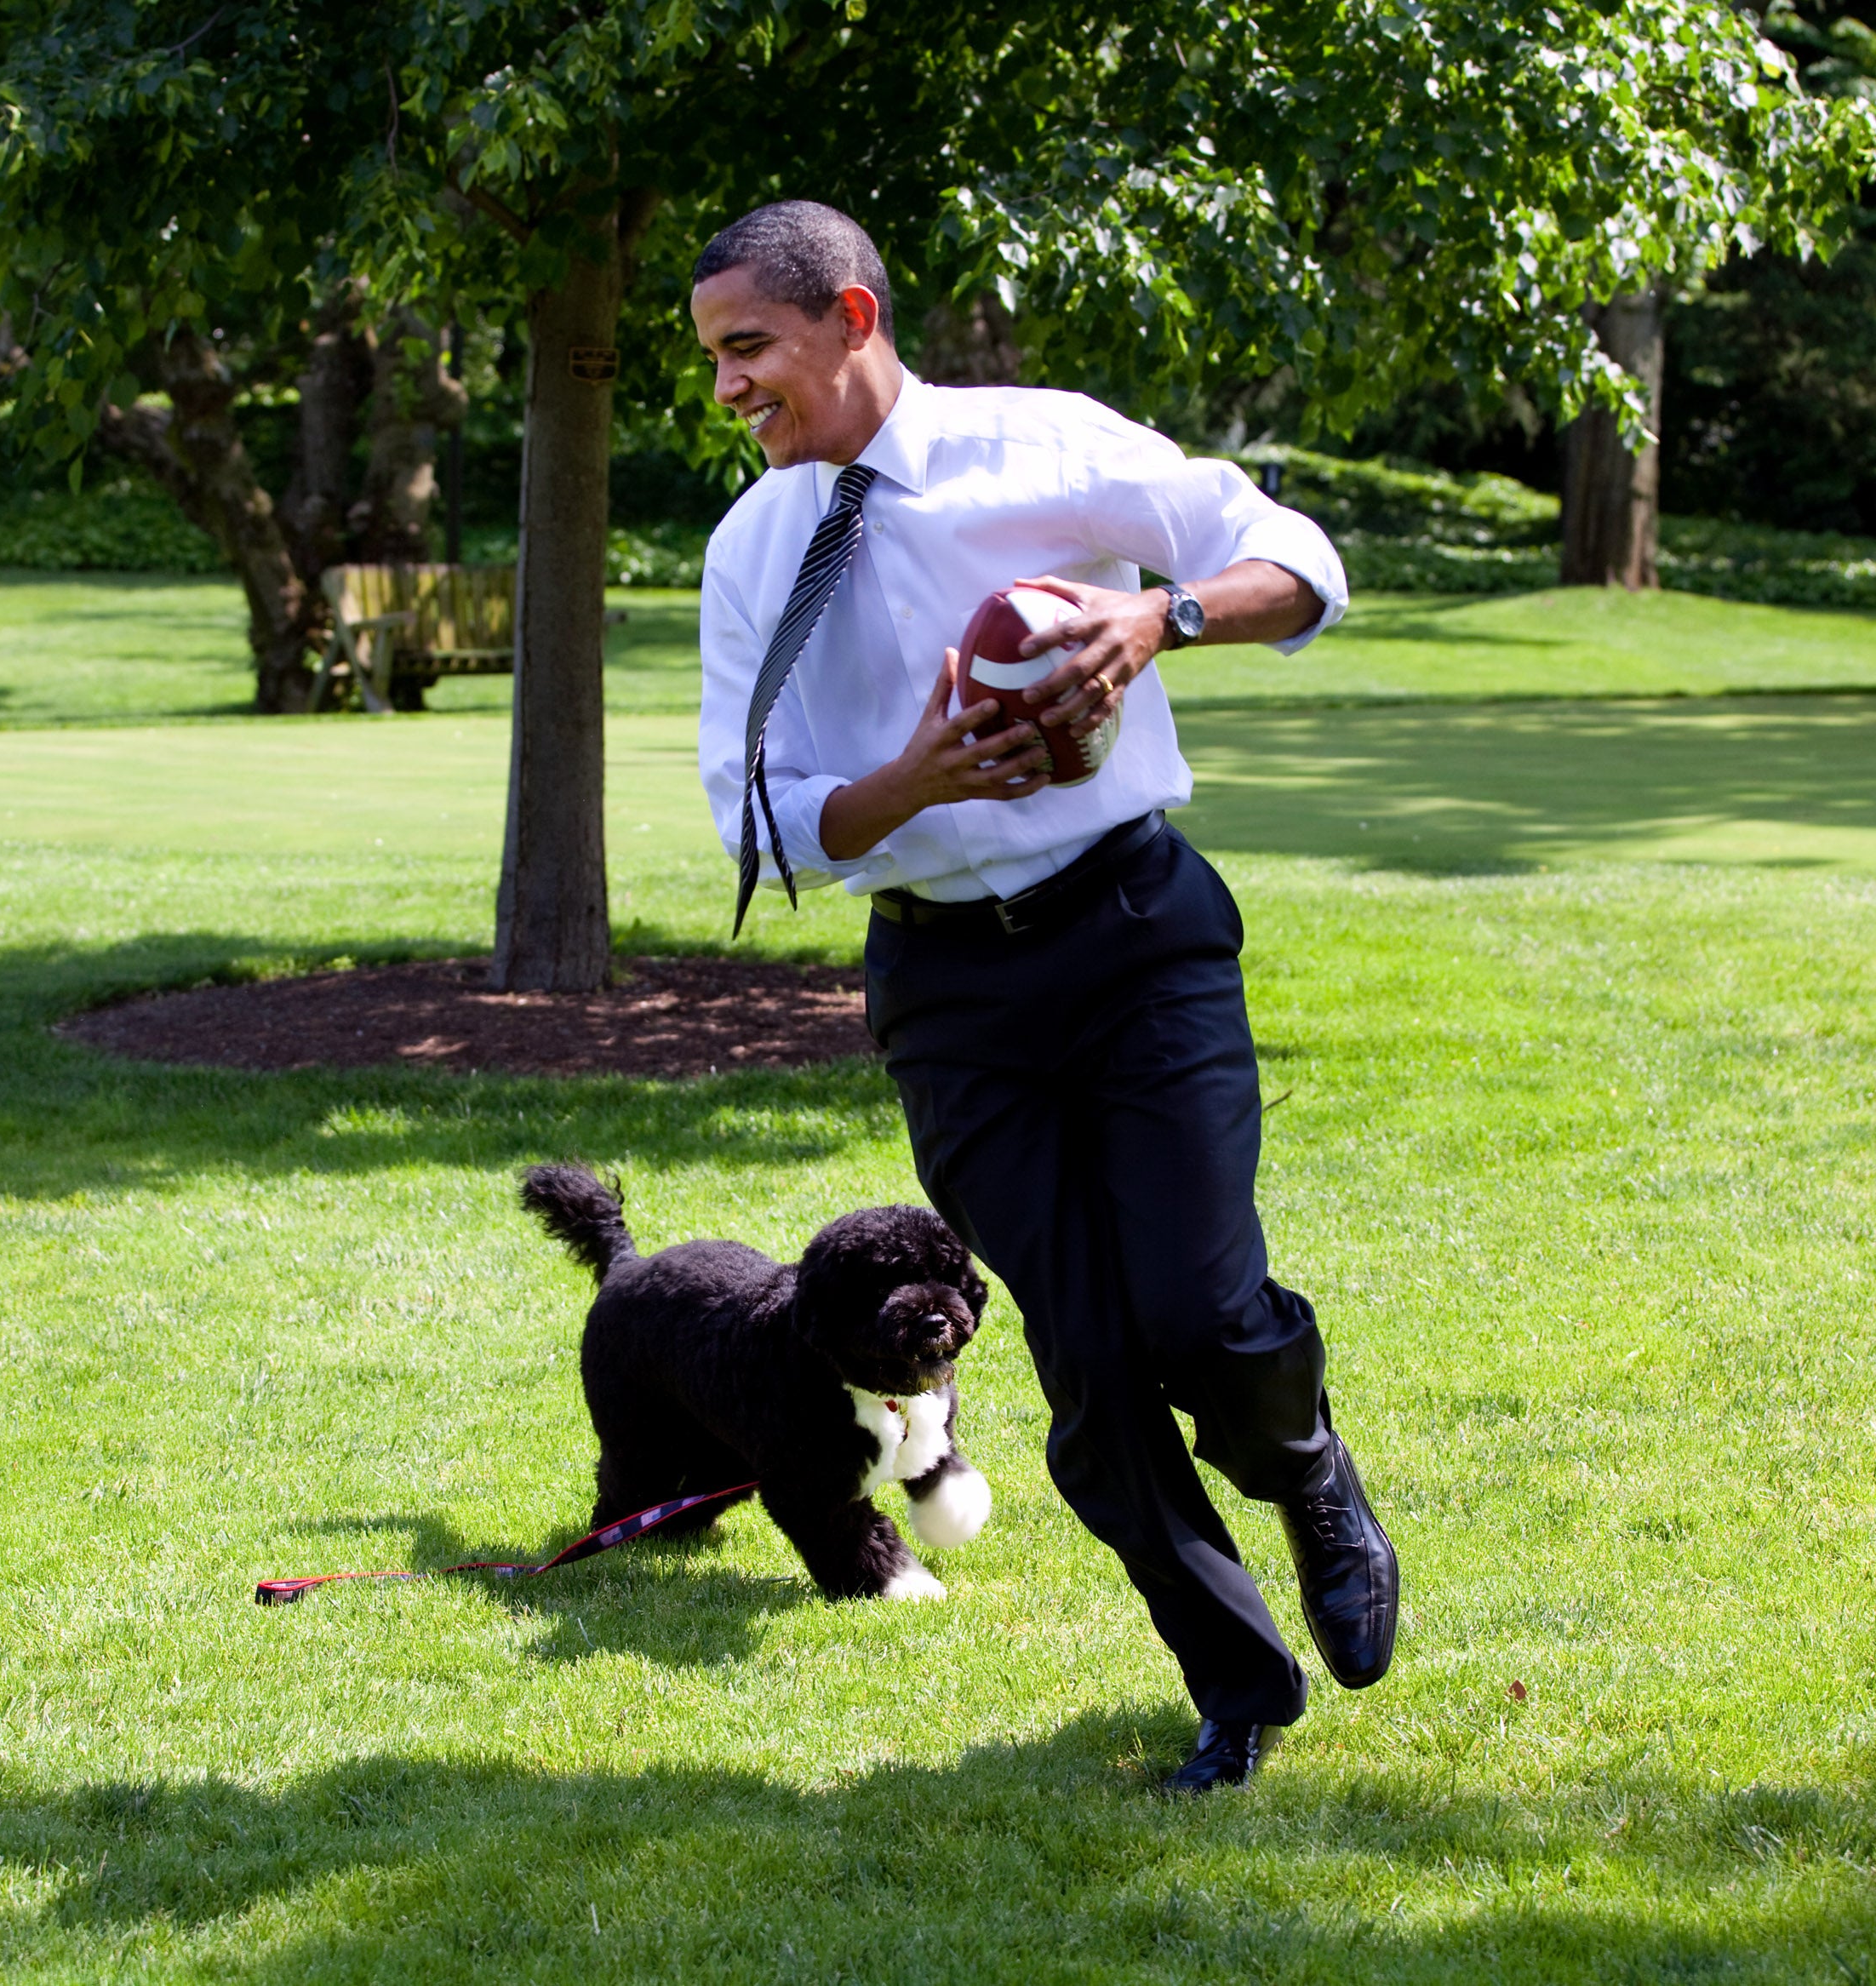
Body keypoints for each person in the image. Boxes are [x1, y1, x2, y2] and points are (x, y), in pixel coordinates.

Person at [690, 201, 1399, 1795]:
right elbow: (754, 814)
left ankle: (1311, 1473)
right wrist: (908, 781)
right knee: (1085, 1368)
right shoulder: (752, 551)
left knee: (1203, 1318)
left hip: (1135, 934)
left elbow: (1303, 558)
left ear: (853, 319)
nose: (730, 388)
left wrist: (1161, 616)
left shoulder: (1045, 448)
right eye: (715, 360)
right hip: (950, 992)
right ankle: (1235, 1687)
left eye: (752, 349)